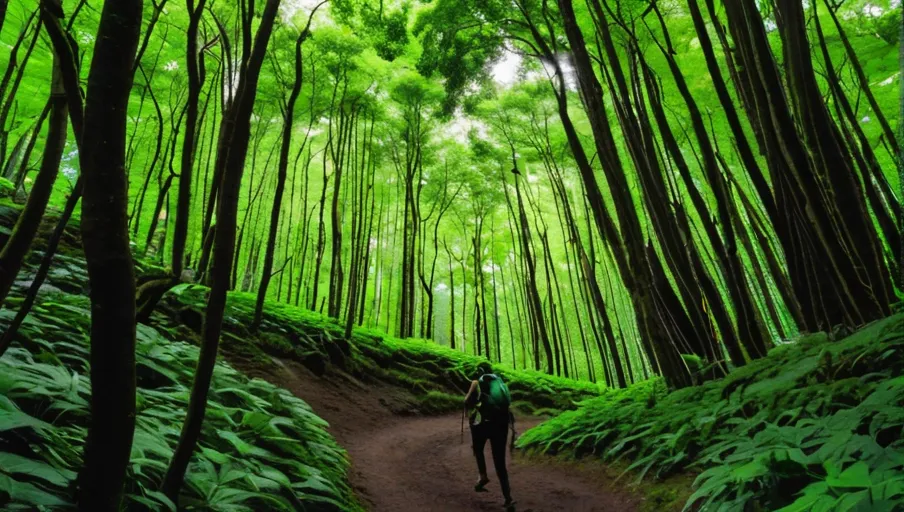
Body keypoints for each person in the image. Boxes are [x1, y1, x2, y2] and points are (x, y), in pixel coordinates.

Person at [465, 361, 515, 511]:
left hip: (486, 424)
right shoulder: (499, 381)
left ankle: (483, 475)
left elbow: (467, 401)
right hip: (502, 424)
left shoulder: (478, 382)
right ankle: (508, 498)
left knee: (477, 446)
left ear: (479, 370)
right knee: (499, 462)